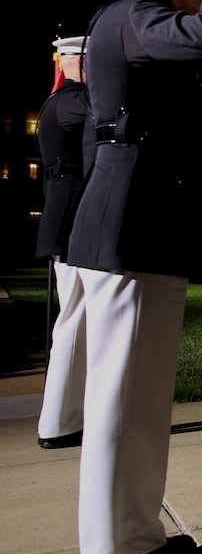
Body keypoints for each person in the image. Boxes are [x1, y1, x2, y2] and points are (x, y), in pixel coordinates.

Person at [63, 0, 202, 554]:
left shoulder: (117, 17)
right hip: (136, 226)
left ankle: (125, 537)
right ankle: (121, 547)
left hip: (129, 223)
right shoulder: (142, 11)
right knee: (127, 398)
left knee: (130, 395)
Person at [36, 35, 90, 450]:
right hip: (73, 217)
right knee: (76, 316)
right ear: (74, 62)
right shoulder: (73, 101)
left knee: (74, 316)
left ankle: (64, 416)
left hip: (66, 216)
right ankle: (60, 421)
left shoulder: (60, 101)